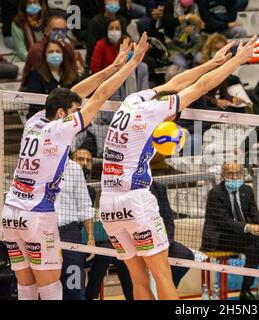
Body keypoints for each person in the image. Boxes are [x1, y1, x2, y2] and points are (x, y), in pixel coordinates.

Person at [98, 35, 259, 300]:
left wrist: (211, 62)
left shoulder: (133, 101)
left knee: (138, 278)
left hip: (107, 205)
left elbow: (175, 82)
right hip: (134, 200)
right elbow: (199, 87)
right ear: (170, 114)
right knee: (162, 274)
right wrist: (237, 61)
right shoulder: (156, 111)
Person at [0, 33, 149, 300]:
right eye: (73, 111)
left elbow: (73, 94)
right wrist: (131, 65)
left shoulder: (35, 121)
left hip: (10, 214)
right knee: (50, 288)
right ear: (62, 113)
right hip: (36, 215)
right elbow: (100, 96)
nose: (78, 114)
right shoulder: (59, 128)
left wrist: (114, 65)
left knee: (26, 287)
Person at [201, 162, 259, 300]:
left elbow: (254, 212)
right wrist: (249, 228)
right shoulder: (215, 194)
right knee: (256, 239)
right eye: (230, 173)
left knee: (254, 249)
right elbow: (224, 222)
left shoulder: (246, 190)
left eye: (238, 173)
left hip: (241, 237)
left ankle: (245, 290)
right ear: (223, 175)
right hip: (219, 238)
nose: (235, 176)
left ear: (242, 174)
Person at [72, 148, 134, 301]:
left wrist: (92, 238)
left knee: (115, 252)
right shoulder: (62, 186)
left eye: (88, 161)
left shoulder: (91, 191)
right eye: (80, 159)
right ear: (71, 163)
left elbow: (86, 220)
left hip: (88, 242)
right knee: (108, 251)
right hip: (68, 240)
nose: (84, 163)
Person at [55, 158, 96, 300]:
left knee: (73, 288)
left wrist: (90, 238)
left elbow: (84, 205)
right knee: (44, 288)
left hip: (69, 233)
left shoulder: (74, 168)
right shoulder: (36, 164)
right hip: (40, 233)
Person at [150, 182, 195, 287]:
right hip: (138, 243)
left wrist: (167, 242)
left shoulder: (158, 187)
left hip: (162, 241)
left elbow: (168, 217)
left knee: (185, 255)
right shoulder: (125, 190)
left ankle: (168, 288)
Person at [20, 14, 80, 92]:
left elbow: (73, 72)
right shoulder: (37, 50)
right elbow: (41, 78)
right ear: (46, 30)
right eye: (55, 29)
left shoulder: (68, 47)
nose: (59, 33)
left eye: (63, 30)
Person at [25, 39, 80, 118]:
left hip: (68, 118)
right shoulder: (35, 75)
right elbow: (34, 104)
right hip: (43, 118)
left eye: (58, 51)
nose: (55, 54)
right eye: (51, 52)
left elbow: (77, 100)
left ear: (63, 54)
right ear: (45, 55)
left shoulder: (72, 75)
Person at [86, 0, 130, 67]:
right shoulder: (95, 22)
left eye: (117, 28)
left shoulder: (122, 20)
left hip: (118, 58)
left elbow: (126, 39)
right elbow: (91, 48)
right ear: (104, 2)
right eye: (111, 28)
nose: (113, 2)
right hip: (100, 59)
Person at [162, 0, 204, 68]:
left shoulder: (197, 5)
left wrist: (200, 25)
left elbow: (204, 26)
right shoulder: (170, 5)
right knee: (181, 64)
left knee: (200, 61)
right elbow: (167, 23)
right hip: (175, 46)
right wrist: (186, 17)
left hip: (194, 46)